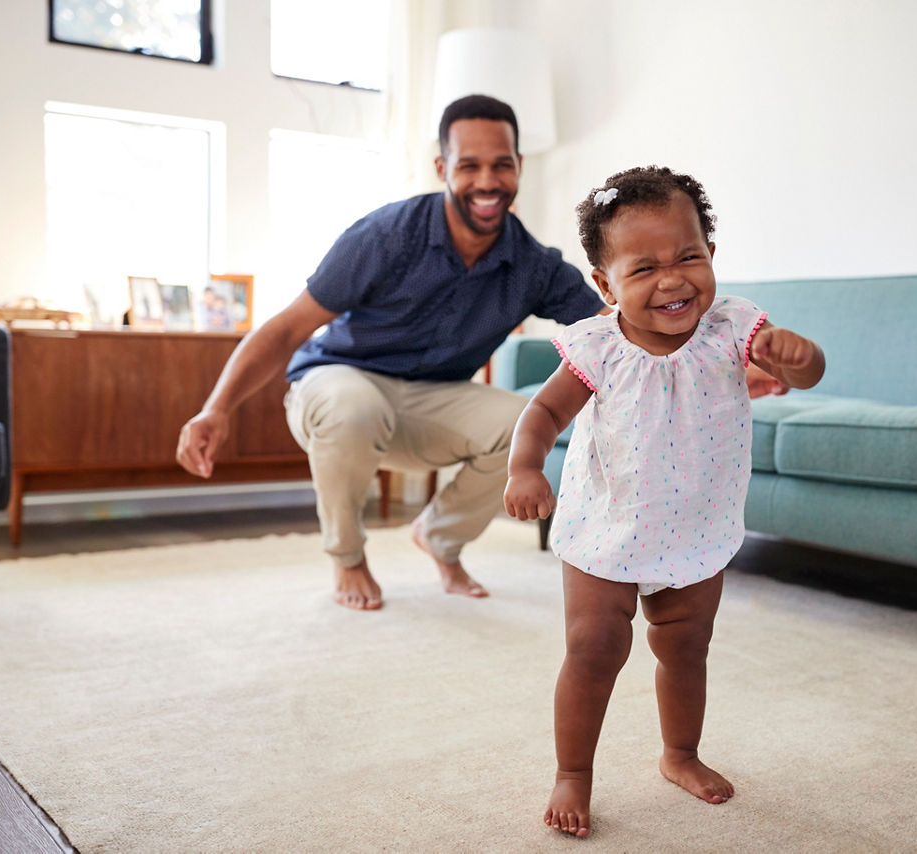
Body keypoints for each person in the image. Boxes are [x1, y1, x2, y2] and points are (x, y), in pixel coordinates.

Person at [176, 95, 605, 611]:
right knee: (354, 407)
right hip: (339, 385)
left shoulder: (533, 264)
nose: (487, 181)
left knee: (523, 421)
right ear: (443, 168)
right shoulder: (385, 236)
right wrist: (216, 408)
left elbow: (609, 328)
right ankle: (348, 556)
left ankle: (440, 537)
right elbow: (288, 327)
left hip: (434, 401)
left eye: (501, 165)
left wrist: (695, 327)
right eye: (469, 165)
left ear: (519, 167)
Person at [503, 166, 825, 837]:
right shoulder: (597, 345)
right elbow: (541, 412)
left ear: (711, 254)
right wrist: (526, 468)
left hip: (697, 526)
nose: (673, 280)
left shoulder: (735, 327)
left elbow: (804, 372)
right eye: (643, 268)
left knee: (686, 648)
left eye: (689, 257)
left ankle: (680, 753)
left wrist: (797, 357)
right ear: (605, 284)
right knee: (593, 646)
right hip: (607, 523)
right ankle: (574, 773)